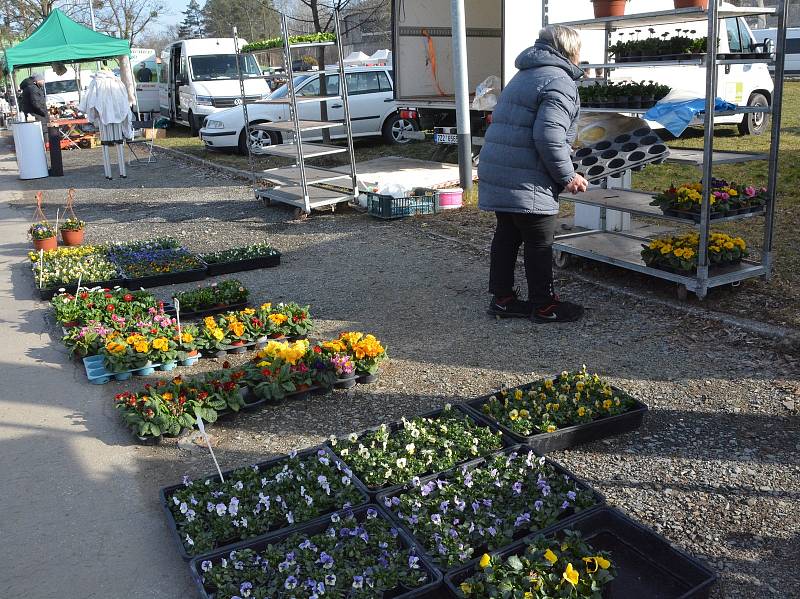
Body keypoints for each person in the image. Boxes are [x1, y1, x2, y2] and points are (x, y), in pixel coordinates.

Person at [478, 25, 589, 323]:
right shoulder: (559, 80)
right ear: (571, 50)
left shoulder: (526, 73)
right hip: (527, 176)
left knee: (508, 235)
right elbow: (548, 136)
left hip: (501, 169)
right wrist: (568, 176)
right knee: (539, 241)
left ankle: (502, 300)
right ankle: (544, 306)